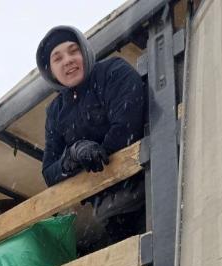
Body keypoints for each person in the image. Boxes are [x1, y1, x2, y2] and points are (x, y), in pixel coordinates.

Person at [37, 25, 147, 247]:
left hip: (147, 190)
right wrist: (73, 155)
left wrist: (99, 152)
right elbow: (49, 171)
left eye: (73, 51)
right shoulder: (55, 111)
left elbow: (128, 127)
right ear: (50, 69)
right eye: (57, 58)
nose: (67, 60)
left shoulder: (112, 72)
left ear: (85, 52)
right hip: (109, 212)